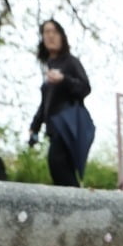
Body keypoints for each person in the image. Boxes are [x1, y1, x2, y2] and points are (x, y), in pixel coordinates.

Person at [29, 20, 93, 187]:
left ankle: (77, 208)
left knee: (57, 164)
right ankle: (73, 209)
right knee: (60, 172)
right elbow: (45, 103)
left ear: (62, 37)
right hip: (54, 129)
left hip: (68, 126)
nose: (50, 35)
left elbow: (85, 88)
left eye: (54, 31)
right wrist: (35, 127)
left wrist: (64, 79)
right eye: (46, 32)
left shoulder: (70, 62)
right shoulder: (50, 67)